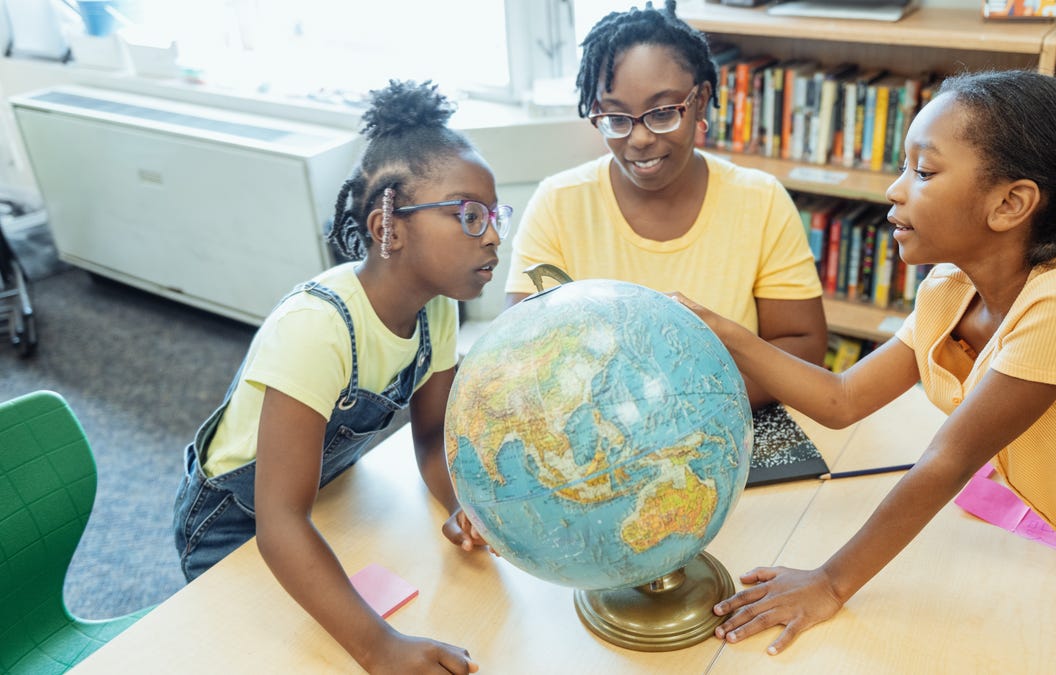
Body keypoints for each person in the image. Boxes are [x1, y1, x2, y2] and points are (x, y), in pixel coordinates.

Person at [673, 70, 1056, 655]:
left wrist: (830, 582)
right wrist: (722, 331)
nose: (895, 190)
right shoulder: (949, 286)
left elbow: (944, 463)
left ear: (1010, 203)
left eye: (922, 171)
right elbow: (842, 399)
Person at [172, 79, 506, 674]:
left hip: (318, 500)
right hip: (235, 524)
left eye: (492, 214)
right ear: (390, 227)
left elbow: (431, 440)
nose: (493, 235)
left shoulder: (439, 308)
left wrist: (461, 503)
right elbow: (278, 523)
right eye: (468, 215)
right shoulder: (315, 328)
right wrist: (382, 650)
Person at [504, 0, 826, 410]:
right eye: (616, 118)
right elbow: (523, 354)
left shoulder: (760, 200)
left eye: (662, 113)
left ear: (701, 100)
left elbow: (803, 346)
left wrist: (676, 405)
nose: (639, 139)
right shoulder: (557, 204)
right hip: (595, 434)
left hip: (726, 423)